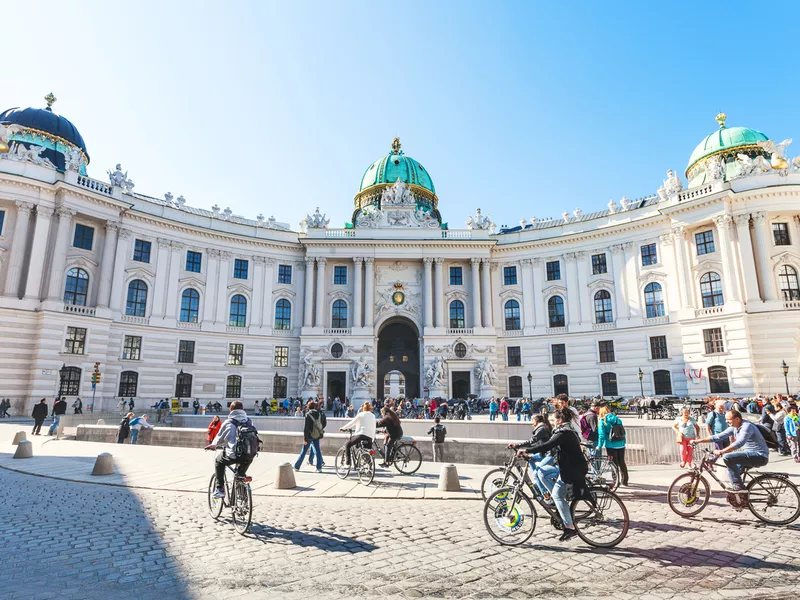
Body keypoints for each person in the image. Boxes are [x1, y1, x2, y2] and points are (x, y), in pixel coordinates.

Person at [516, 407, 590, 542]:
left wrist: (526, 450)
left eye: (553, 419)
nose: (552, 421)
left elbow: (547, 445)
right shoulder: (566, 430)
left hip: (572, 469)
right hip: (568, 466)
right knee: (542, 472)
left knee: (557, 494)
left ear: (560, 419)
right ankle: (556, 502)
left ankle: (569, 527)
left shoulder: (563, 432)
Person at [694, 409, 770, 493]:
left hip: (759, 456)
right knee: (731, 474)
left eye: (728, 420)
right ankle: (740, 498)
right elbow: (718, 436)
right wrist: (699, 441)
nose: (726, 421)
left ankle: (739, 487)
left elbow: (739, 443)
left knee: (728, 458)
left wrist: (722, 451)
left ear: (737, 419)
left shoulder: (747, 426)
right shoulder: (734, 427)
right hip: (749, 454)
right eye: (726, 419)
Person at [205, 401, 259, 499]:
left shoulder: (228, 422)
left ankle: (220, 489)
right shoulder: (249, 421)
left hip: (234, 455)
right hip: (249, 455)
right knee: (240, 474)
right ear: (242, 409)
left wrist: (213, 445)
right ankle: (242, 496)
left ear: (231, 410)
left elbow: (219, 438)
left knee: (218, 461)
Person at [511, 414, 555, 500]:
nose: (532, 422)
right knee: (530, 459)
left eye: (533, 420)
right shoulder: (541, 428)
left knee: (536, 473)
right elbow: (537, 443)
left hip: (549, 454)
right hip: (543, 453)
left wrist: (517, 446)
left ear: (537, 420)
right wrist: (525, 450)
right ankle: (539, 482)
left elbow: (532, 441)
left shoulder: (541, 429)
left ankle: (545, 494)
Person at [597, 404, 629, 486]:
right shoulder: (617, 419)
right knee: (622, 462)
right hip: (621, 444)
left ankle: (616, 480)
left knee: (613, 464)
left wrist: (599, 446)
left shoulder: (602, 421)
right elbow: (623, 432)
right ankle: (625, 480)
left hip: (611, 445)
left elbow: (601, 435)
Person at [340, 402, 376, 467]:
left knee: (347, 444)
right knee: (367, 451)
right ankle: (369, 467)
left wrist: (343, 428)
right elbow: (374, 427)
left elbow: (352, 423)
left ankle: (347, 463)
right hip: (370, 437)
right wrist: (372, 439)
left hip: (361, 435)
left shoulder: (361, 414)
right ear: (370, 409)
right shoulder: (373, 416)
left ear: (363, 409)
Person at [294, 401, 327, 472]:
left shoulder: (308, 414)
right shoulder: (319, 413)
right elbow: (324, 423)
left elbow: (306, 428)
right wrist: (319, 430)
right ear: (315, 406)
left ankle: (297, 466)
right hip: (317, 435)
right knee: (318, 451)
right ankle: (319, 468)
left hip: (309, 436)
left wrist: (305, 439)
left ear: (309, 407)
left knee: (304, 451)